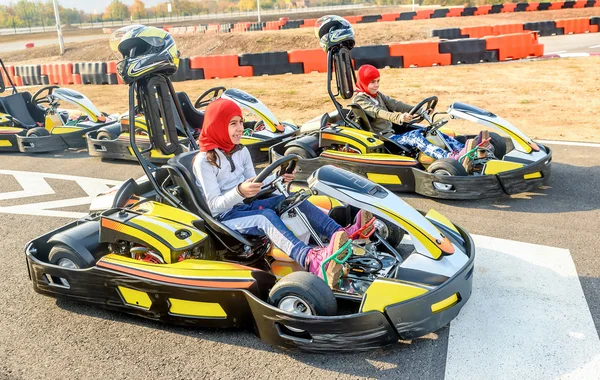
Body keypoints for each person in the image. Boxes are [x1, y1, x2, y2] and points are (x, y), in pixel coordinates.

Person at [193, 98, 373, 287]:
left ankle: (342, 234)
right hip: (224, 218)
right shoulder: (204, 161)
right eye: (233, 124)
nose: (240, 128)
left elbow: (255, 183)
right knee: (265, 217)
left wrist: (279, 177)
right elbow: (213, 207)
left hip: (246, 204)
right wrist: (239, 191)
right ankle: (311, 260)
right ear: (218, 125)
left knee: (294, 201)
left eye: (241, 122)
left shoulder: (241, 151)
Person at [352, 64, 490, 172]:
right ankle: (448, 158)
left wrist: (420, 110)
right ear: (364, 82)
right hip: (384, 139)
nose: (376, 85)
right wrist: (399, 118)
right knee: (414, 136)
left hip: (393, 133)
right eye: (372, 82)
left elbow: (396, 104)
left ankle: (464, 151)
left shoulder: (378, 95)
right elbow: (377, 112)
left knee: (431, 131)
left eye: (378, 81)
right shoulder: (361, 100)